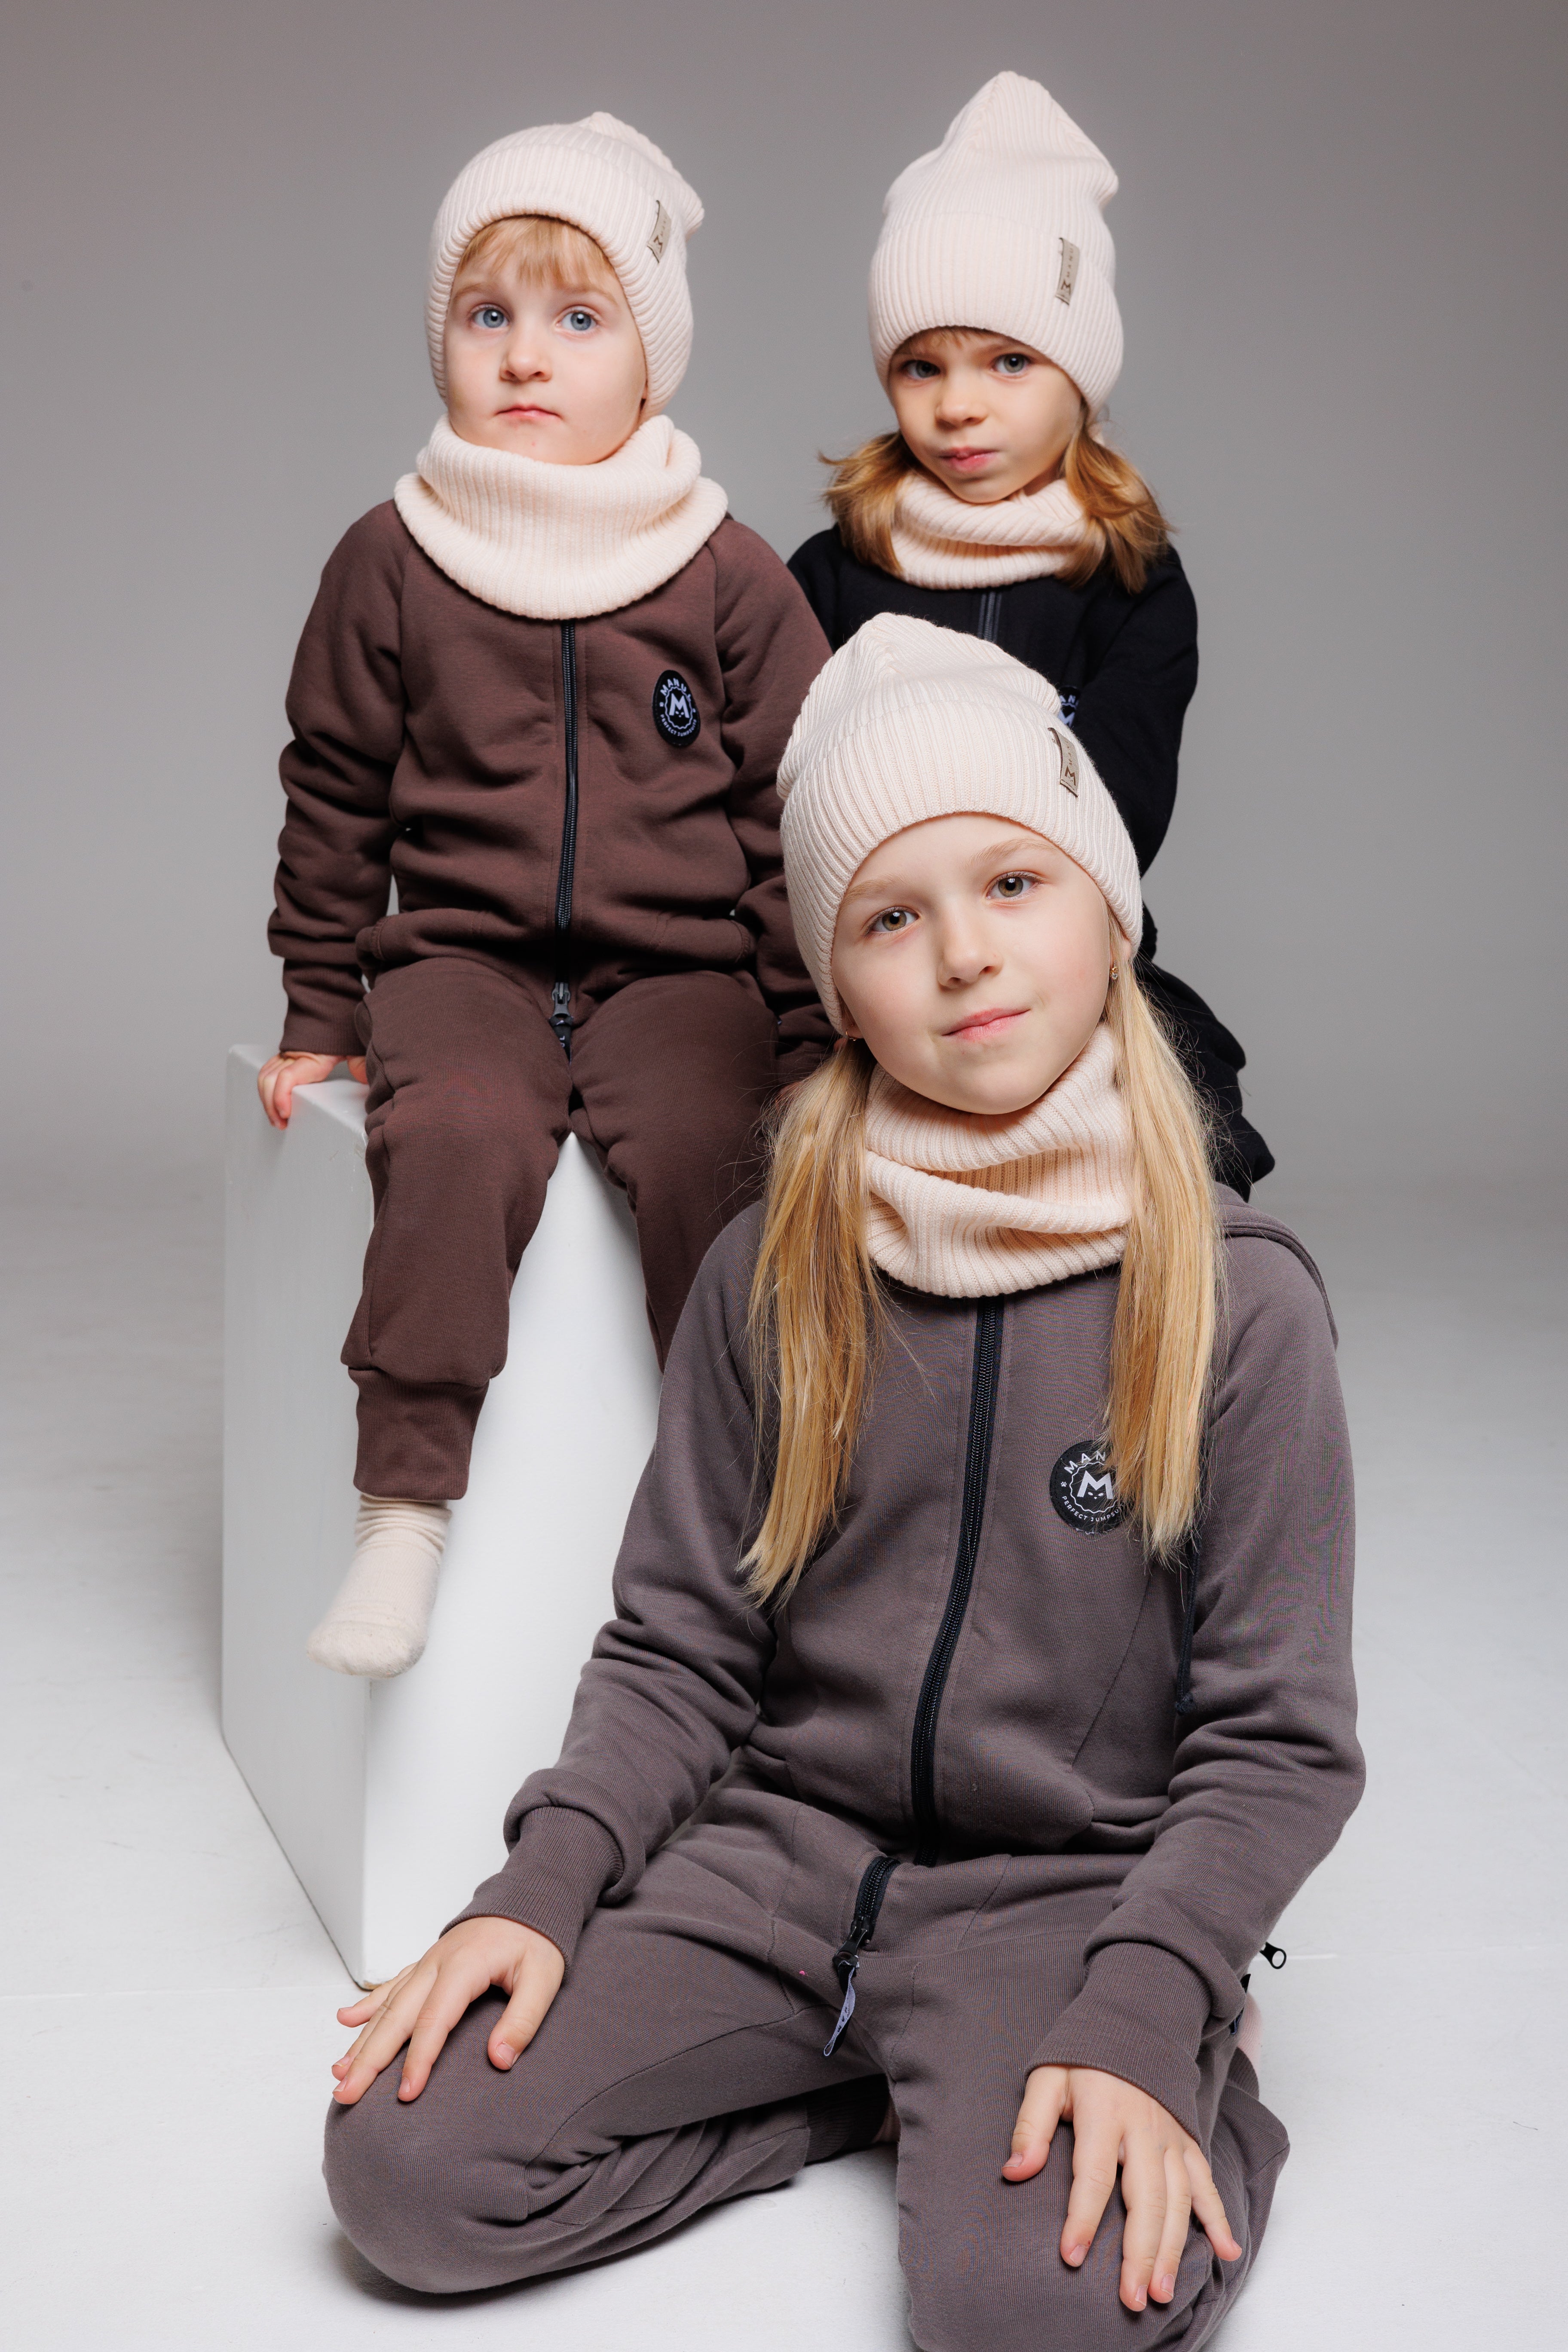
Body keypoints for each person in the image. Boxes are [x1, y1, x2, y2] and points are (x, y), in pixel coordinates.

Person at [319, 617, 1362, 2349]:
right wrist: (544, 1888)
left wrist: (1148, 2001)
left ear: (1111, 912)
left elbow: (1280, 1741)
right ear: (835, 979)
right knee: (404, 2171)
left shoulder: (1242, 1302)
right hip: (778, 1866)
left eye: (1016, 881)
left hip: (1070, 1901)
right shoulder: (770, 1269)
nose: (965, 954)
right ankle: (857, 2099)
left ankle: (1194, 2086)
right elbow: (679, 1646)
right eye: (890, 918)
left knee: (1026, 2313)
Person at [256, 114, 831, 1678]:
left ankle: (756, 1530)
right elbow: (335, 792)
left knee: (720, 1158)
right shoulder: (392, 557)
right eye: (485, 313)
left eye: (580, 319)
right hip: (464, 963)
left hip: (683, 972)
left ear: (652, 366)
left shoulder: (725, 570)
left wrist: (805, 1041)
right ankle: (403, 1512)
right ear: (438, 340)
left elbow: (792, 819)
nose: (525, 355)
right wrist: (318, 1008)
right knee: (450, 1134)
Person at [790, 72, 1272, 1197]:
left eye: (1009, 361)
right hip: (888, 952)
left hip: (1063, 950)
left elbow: (1118, 814)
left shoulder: (1130, 582)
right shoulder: (832, 572)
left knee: (1195, 1101)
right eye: (922, 366)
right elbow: (788, 785)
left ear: (1080, 379)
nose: (959, 405)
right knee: (773, 1109)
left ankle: (1185, 1288)